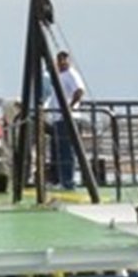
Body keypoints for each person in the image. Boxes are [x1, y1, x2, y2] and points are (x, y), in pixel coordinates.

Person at [46, 51, 86, 190]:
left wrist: (70, 107)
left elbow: (79, 91)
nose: (62, 62)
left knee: (66, 151)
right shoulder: (59, 76)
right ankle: (58, 179)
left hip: (68, 118)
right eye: (59, 59)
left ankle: (68, 182)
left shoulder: (71, 74)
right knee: (57, 150)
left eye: (64, 59)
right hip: (57, 118)